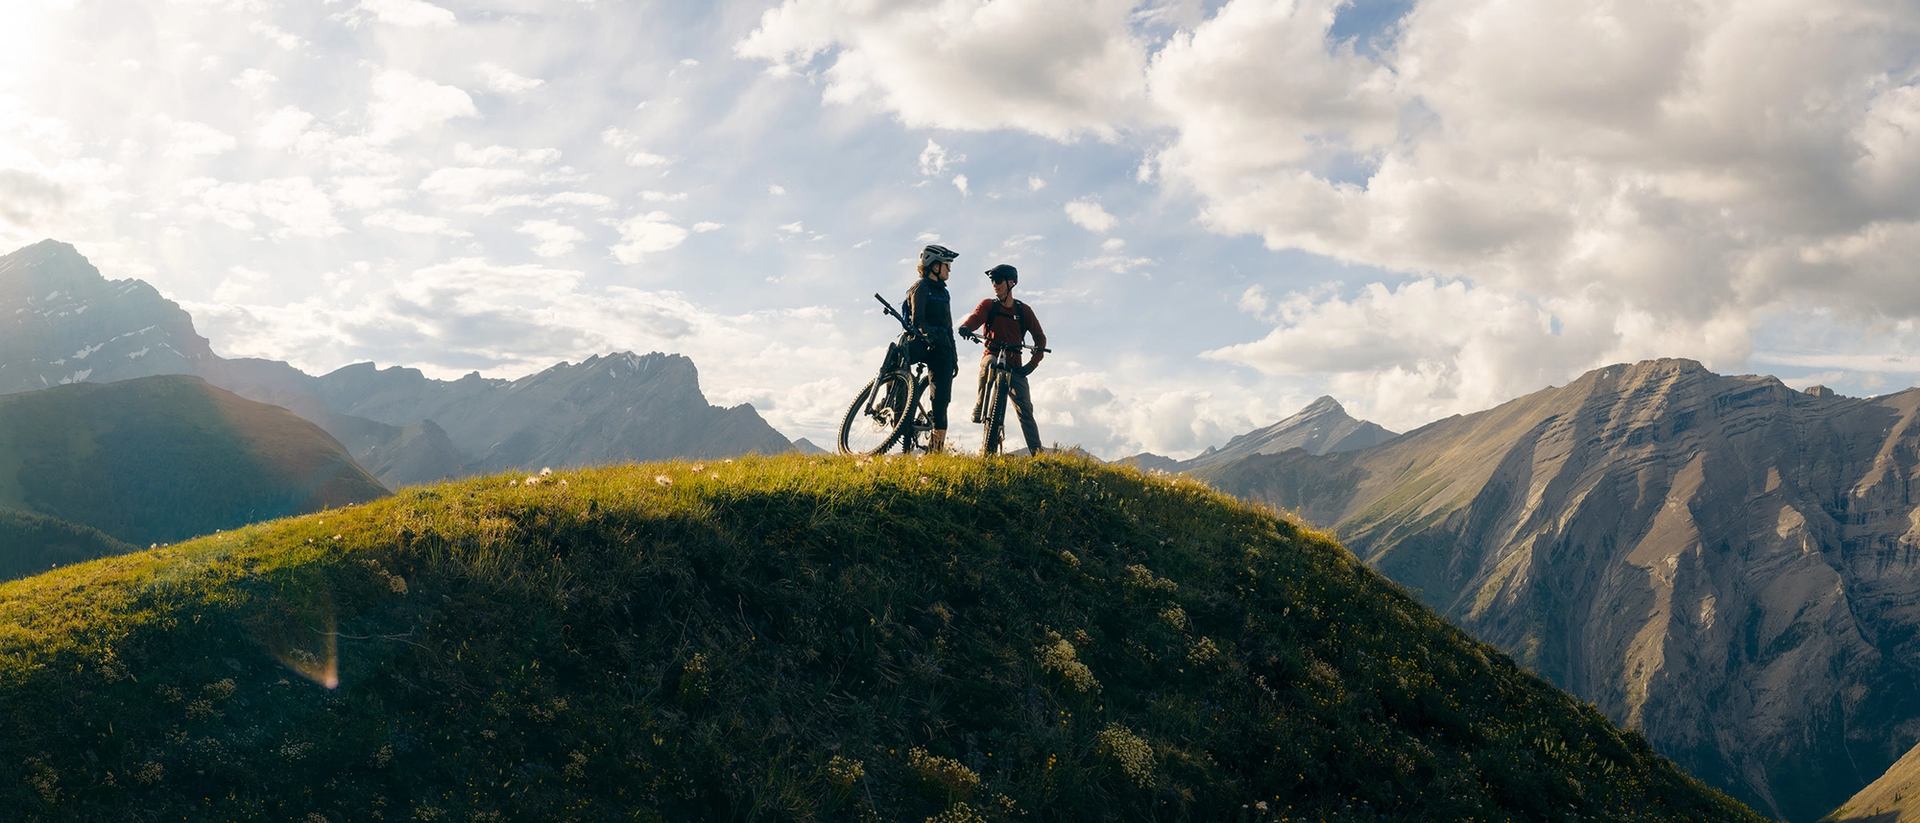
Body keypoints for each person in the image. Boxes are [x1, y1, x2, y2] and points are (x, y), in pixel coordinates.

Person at [958, 263, 1046, 454]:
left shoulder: (1023, 310)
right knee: (989, 364)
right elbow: (976, 317)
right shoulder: (989, 305)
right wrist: (966, 327)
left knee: (1026, 410)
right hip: (992, 354)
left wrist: (1031, 365)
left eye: (998, 281)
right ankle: (981, 405)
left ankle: (1037, 453)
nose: (994, 285)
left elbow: (1040, 339)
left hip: (1015, 365)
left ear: (1011, 283)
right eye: (992, 281)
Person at [902, 244, 960, 453]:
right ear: (933, 265)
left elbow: (949, 326)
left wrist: (954, 356)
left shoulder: (944, 294)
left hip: (941, 347)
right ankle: (894, 396)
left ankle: (935, 451)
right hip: (921, 342)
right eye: (946, 265)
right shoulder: (921, 287)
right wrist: (929, 334)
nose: (949, 270)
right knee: (899, 353)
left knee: (941, 400)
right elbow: (918, 320)